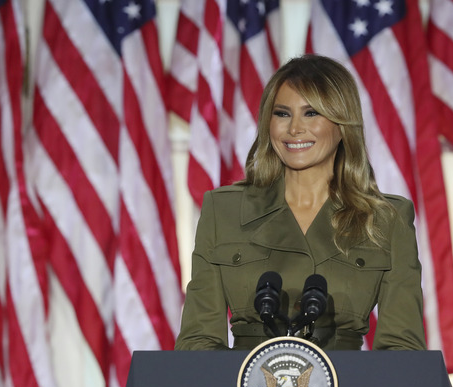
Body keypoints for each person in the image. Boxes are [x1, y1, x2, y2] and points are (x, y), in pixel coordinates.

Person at [174, 54, 425, 351]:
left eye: (311, 113)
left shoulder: (387, 218)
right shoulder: (223, 210)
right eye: (282, 114)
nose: (294, 129)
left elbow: (402, 350)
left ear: (342, 123)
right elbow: (198, 342)